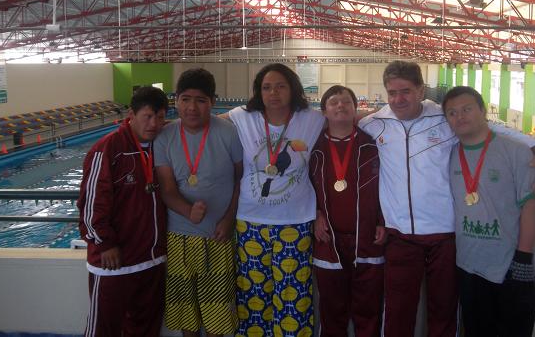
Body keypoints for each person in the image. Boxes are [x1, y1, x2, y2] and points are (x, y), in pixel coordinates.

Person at [358, 61, 535, 337]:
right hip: (400, 234)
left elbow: (490, 128)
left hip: (446, 236)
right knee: (398, 312)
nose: (399, 99)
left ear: (421, 90)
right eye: (392, 93)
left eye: (406, 91)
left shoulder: (443, 116)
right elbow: (341, 124)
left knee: (444, 311)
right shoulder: (374, 123)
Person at [226, 63, 325, 337]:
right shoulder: (243, 117)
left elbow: (350, 116)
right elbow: (204, 123)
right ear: (259, 91)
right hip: (250, 222)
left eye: (281, 86)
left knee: (293, 293)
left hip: (296, 221)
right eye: (267, 87)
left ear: (292, 88)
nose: (273, 93)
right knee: (253, 292)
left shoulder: (311, 119)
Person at [442, 86, 535, 337]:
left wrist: (523, 258)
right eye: (452, 113)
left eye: (466, 109)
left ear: (483, 111)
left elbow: (531, 204)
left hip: (511, 267)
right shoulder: (449, 154)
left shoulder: (516, 151)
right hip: (470, 265)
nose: (460, 117)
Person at [154, 68, 243, 337]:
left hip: (218, 235)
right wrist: (187, 211)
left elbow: (241, 179)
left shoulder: (228, 133)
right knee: (186, 314)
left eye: (201, 100)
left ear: (212, 102)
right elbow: (167, 189)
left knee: (217, 313)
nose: (192, 108)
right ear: (176, 100)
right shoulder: (164, 136)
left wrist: (229, 219)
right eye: (185, 99)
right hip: (179, 236)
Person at [77, 86, 169, 337]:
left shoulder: (162, 145)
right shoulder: (108, 148)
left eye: (160, 117)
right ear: (131, 115)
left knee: (146, 329)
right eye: (147, 116)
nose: (154, 124)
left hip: (152, 261)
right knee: (103, 330)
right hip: (114, 262)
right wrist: (105, 244)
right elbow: (91, 203)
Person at [309, 85, 385, 337]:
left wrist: (382, 220)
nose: (340, 105)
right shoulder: (313, 148)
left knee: (368, 310)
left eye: (346, 102)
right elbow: (302, 185)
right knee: (332, 311)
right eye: (334, 102)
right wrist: (315, 212)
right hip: (328, 240)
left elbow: (389, 185)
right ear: (324, 111)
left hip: (367, 239)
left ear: (355, 109)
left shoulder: (373, 145)